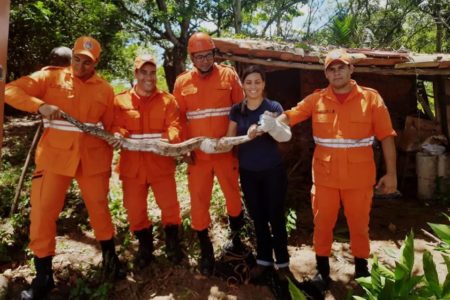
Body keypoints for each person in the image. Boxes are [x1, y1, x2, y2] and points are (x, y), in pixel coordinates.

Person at [5, 36, 126, 300]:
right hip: (54, 159)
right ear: (72, 55)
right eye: (77, 59)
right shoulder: (50, 78)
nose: (81, 66)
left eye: (87, 62)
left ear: (96, 63)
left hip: (93, 159)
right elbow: (10, 90)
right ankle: (44, 276)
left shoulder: (104, 89)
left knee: (100, 210)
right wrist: (40, 105)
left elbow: (112, 123)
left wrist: (117, 134)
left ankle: (110, 260)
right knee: (43, 214)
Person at [277, 48, 397, 291]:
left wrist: (392, 173)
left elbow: (386, 136)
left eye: (341, 66)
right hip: (325, 178)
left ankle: (362, 273)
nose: (336, 72)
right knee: (322, 226)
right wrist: (271, 122)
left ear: (351, 69)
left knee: (359, 226)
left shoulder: (371, 99)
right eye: (331, 68)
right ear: (326, 74)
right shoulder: (317, 99)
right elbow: (291, 115)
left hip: (359, 178)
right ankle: (322, 274)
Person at [173, 32, 245, 276]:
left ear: (214, 54)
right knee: (198, 201)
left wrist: (235, 142)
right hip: (198, 156)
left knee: (233, 197)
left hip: (226, 152)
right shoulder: (182, 82)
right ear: (192, 58)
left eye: (208, 55)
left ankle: (236, 241)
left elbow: (240, 110)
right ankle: (205, 250)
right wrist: (184, 149)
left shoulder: (229, 75)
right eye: (198, 56)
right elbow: (178, 119)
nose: (204, 60)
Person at [112, 54, 183, 268]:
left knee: (170, 207)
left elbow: (176, 126)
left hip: (160, 164)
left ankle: (173, 243)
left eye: (152, 73)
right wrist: (118, 133)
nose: (148, 77)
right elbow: (115, 125)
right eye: (143, 72)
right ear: (135, 74)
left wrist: (167, 139)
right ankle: (145, 247)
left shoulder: (168, 100)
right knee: (135, 210)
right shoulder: (120, 100)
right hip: (132, 167)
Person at [223, 65, 292, 282]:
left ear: (264, 84)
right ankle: (264, 261)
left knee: (276, 217)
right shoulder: (236, 110)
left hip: (273, 171)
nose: (253, 86)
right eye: (249, 82)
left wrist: (269, 126)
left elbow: (285, 134)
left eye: (257, 82)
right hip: (248, 173)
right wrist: (207, 144)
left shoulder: (273, 107)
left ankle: (283, 264)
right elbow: (229, 140)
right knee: (258, 218)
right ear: (242, 85)